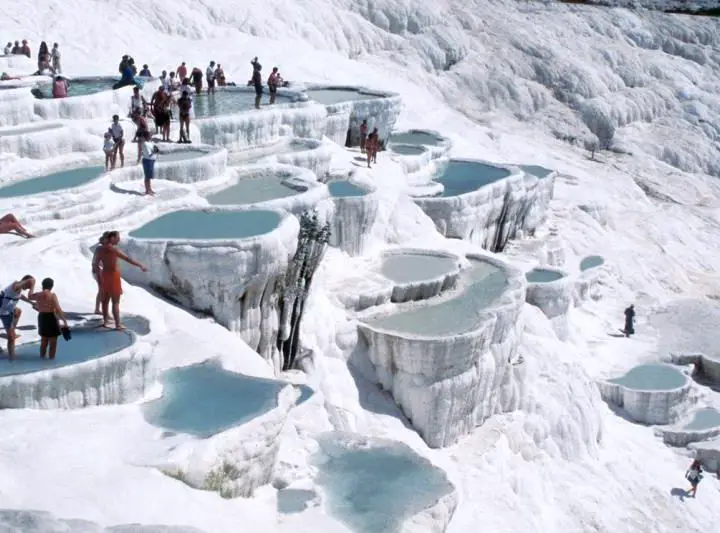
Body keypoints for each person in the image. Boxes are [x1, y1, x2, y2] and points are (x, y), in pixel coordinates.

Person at [92, 231, 147, 330]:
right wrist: (140, 265)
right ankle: (118, 325)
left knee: (105, 301)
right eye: (118, 237)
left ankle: (106, 322)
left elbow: (95, 264)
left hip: (104, 275)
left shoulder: (99, 249)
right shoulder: (114, 250)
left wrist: (99, 278)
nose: (119, 239)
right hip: (114, 276)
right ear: (112, 238)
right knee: (115, 302)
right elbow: (127, 259)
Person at [29, 278, 68, 360]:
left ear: (42, 286)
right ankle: (51, 363)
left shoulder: (38, 295)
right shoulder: (52, 295)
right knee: (53, 344)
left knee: (44, 342)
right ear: (51, 286)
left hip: (42, 318)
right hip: (51, 318)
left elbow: (29, 296)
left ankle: (42, 359)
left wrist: (32, 286)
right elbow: (58, 309)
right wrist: (64, 321)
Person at [0, 275, 36, 360]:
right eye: (28, 286)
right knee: (11, 338)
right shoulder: (16, 285)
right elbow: (23, 284)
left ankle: (11, 331)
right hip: (4, 312)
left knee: (18, 311)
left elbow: (20, 296)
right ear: (25, 281)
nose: (28, 288)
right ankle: (12, 359)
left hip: (8, 309)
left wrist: (31, 303)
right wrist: (32, 283)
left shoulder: (18, 289)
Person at [92, 232, 110, 314]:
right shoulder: (100, 248)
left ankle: (98, 309)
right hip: (99, 271)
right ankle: (101, 310)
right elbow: (96, 261)